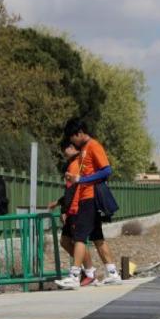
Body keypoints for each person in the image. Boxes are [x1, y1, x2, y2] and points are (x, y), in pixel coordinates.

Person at [55, 117, 122, 289]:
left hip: (90, 197)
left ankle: (75, 275)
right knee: (97, 237)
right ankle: (113, 272)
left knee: (79, 237)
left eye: (73, 138)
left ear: (80, 133)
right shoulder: (84, 148)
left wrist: (81, 179)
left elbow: (107, 170)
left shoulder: (93, 146)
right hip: (85, 195)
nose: (72, 142)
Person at [48, 138, 82, 258]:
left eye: (64, 150)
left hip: (75, 210)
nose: (64, 154)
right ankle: (83, 269)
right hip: (72, 209)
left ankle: (88, 271)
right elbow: (69, 191)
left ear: (72, 148)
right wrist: (58, 203)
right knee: (65, 241)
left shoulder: (75, 165)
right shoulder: (74, 164)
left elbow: (72, 191)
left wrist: (64, 210)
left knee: (79, 243)